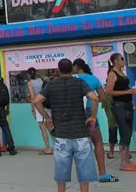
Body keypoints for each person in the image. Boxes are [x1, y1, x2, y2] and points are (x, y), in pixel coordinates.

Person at [33, 58, 99, 192]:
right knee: (84, 172)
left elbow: (36, 101)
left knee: (61, 172)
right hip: (81, 133)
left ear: (58, 70)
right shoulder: (80, 83)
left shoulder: (51, 85)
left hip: (61, 134)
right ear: (72, 69)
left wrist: (47, 117)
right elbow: (95, 98)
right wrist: (92, 116)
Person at [72, 59, 118, 183]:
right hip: (88, 113)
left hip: (72, 115)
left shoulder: (70, 78)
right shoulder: (93, 79)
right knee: (97, 142)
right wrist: (93, 99)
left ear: (77, 67)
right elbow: (103, 97)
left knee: (77, 145)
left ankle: (83, 175)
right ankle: (102, 173)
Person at [105, 53, 136, 172]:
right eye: (121, 59)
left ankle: (127, 160)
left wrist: (131, 95)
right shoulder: (112, 74)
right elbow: (109, 91)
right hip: (119, 105)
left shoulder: (122, 73)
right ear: (115, 61)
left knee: (128, 132)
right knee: (124, 132)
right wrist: (127, 92)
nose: (123, 61)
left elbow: (124, 89)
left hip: (128, 105)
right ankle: (123, 163)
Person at [27, 67, 52, 155]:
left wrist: (33, 109)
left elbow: (33, 97)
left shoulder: (30, 83)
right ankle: (57, 146)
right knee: (50, 125)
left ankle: (48, 148)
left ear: (29, 74)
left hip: (39, 106)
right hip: (47, 104)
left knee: (42, 127)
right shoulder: (42, 80)